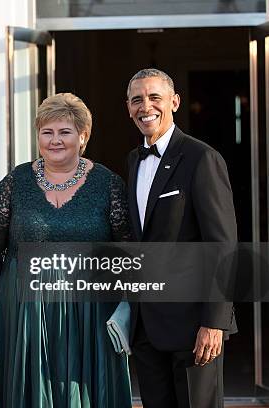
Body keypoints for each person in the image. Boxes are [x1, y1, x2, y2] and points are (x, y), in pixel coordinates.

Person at [0, 93, 132, 407]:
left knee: (89, 388)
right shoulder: (15, 182)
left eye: (64, 132)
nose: (55, 140)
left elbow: (127, 247)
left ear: (83, 136)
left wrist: (127, 304)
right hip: (25, 308)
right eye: (46, 132)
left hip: (91, 309)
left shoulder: (108, 184)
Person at [125, 68, 237, 408]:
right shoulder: (133, 160)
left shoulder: (202, 158)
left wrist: (214, 322)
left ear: (174, 102)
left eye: (155, 97)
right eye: (137, 99)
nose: (146, 106)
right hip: (146, 327)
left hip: (193, 327)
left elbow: (222, 245)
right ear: (128, 108)